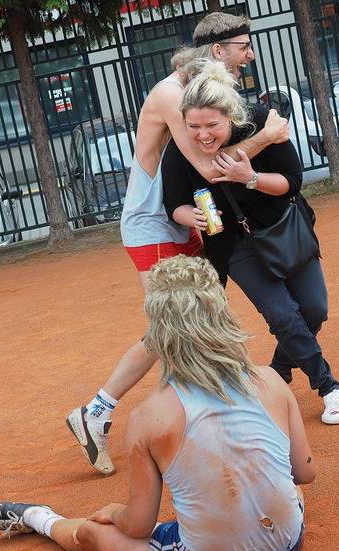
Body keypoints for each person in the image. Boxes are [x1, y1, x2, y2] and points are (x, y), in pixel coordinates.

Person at [0, 255, 316, 551]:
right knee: (280, 486)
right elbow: (304, 473)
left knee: (95, 533)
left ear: (157, 334)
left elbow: (138, 525)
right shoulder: (270, 379)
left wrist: (114, 512)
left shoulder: (149, 416)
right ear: (222, 314)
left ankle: (38, 518)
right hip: (287, 543)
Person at [66, 12, 291, 475]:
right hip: (152, 224)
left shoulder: (198, 94)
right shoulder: (172, 95)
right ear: (216, 52)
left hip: (188, 219)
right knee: (168, 327)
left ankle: (192, 415)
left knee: (199, 314)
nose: (248, 57)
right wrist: (267, 138)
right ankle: (97, 411)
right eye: (242, 48)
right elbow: (210, 167)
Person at [162, 60, 339, 424]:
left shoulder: (261, 121)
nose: (202, 135)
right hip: (233, 244)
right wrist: (191, 216)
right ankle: (328, 386)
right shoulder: (181, 149)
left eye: (212, 125)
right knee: (282, 315)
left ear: (230, 117)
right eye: (193, 126)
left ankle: (279, 369)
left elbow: (292, 181)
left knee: (314, 310)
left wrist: (250, 178)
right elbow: (175, 203)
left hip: (283, 226)